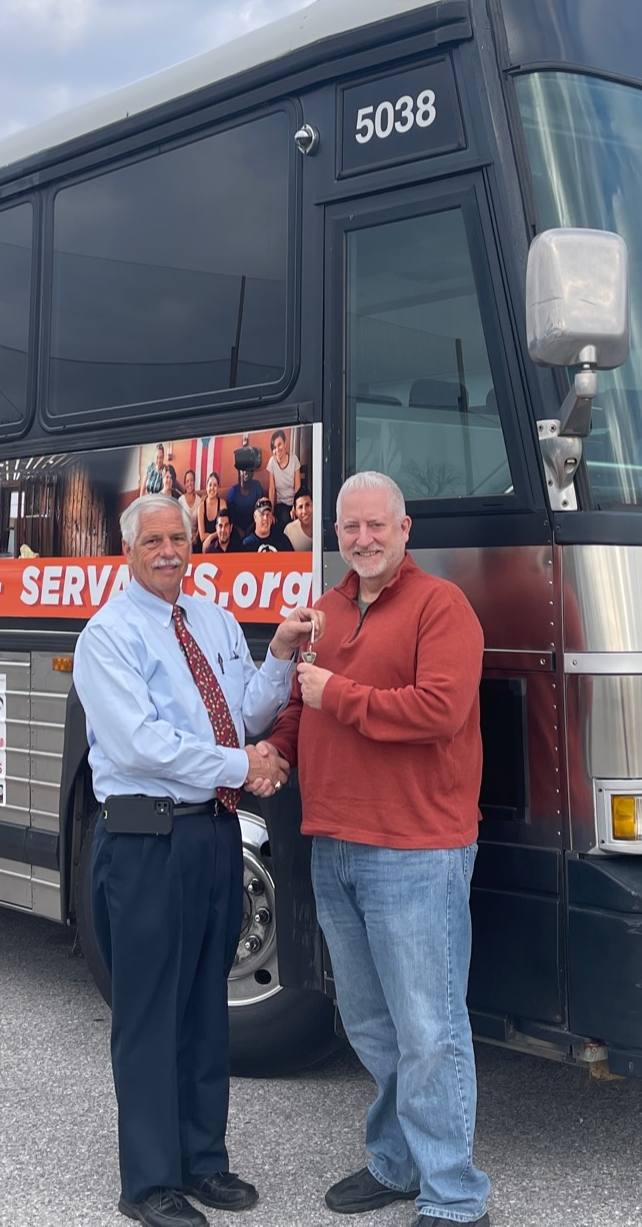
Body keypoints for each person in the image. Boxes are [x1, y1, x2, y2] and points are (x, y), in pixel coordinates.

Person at [74, 493, 314, 1227]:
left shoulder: (208, 620)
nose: (169, 550)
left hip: (212, 835)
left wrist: (274, 659)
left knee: (206, 1007)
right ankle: (148, 1183)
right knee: (148, 1013)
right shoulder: (106, 637)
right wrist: (244, 764)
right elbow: (138, 744)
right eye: (153, 540)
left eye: (178, 537)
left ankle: (203, 1161)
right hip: (145, 839)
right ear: (129, 550)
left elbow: (242, 709)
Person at [267, 472, 491, 1227]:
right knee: (370, 1023)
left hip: (416, 851)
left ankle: (455, 1195)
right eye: (349, 527)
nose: (361, 539)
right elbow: (303, 707)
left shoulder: (441, 606)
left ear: (404, 530)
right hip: (334, 845)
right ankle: (396, 1163)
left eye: (375, 526)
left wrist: (340, 696)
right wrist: (271, 754)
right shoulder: (323, 613)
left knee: (429, 1027)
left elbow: (439, 710)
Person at [263, 429, 300, 530]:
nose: (277, 450)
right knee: (284, 518)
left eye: (279, 445)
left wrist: (295, 507)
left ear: (285, 444)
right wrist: (271, 511)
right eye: (274, 447)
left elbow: (298, 488)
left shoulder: (294, 459)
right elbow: (271, 489)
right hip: (281, 504)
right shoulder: (272, 462)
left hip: (294, 502)